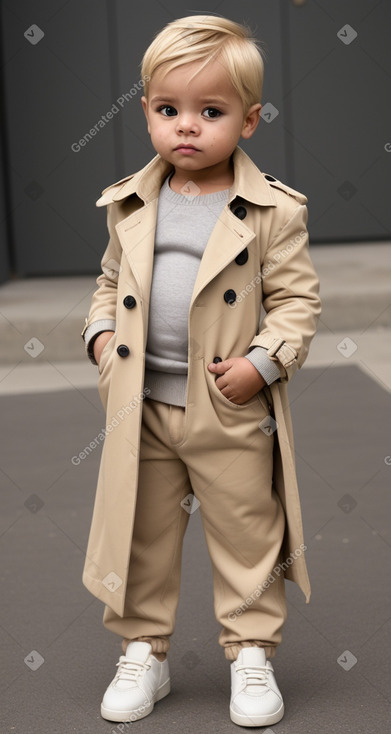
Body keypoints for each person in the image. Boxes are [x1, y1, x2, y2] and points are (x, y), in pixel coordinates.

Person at [81, 14, 321, 728]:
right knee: (140, 534)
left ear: (248, 121)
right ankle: (143, 651)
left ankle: (250, 653)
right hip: (140, 408)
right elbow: (106, 281)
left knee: (247, 531)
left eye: (209, 112)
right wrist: (98, 335)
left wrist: (262, 362)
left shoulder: (271, 210)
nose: (186, 127)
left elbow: (296, 300)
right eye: (167, 110)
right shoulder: (130, 201)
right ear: (147, 110)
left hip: (226, 405)